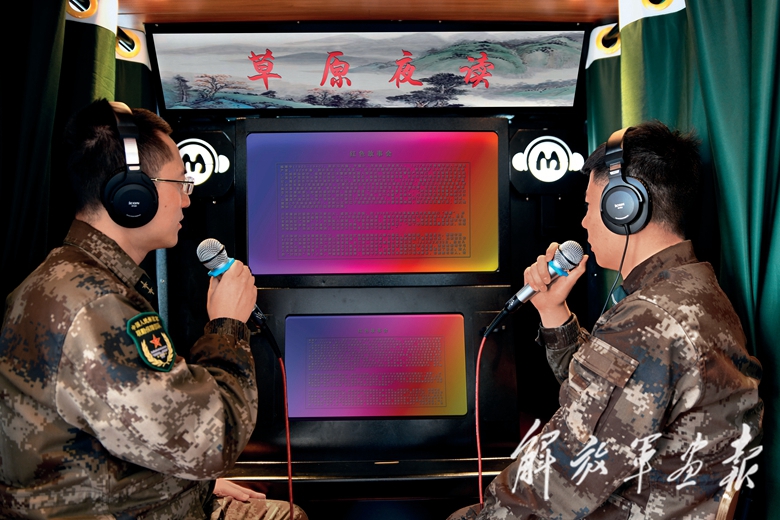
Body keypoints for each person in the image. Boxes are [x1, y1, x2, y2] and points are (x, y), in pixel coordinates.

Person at [0, 99, 306, 519]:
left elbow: (119, 431)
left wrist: (192, 484)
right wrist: (228, 325)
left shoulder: (65, 277)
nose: (186, 200)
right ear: (133, 195)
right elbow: (211, 440)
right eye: (179, 183)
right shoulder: (96, 307)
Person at [449, 121, 763, 519]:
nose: (583, 222)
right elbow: (611, 404)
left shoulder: (651, 319)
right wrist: (553, 311)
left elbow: (561, 477)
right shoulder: (694, 291)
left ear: (625, 207)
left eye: (589, 206)